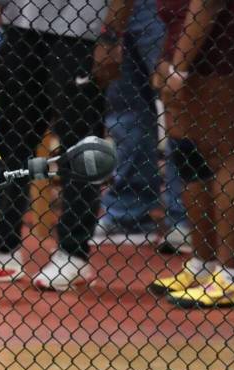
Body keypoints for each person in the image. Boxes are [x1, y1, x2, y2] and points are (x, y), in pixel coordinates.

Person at [0, 0, 133, 290]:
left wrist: (109, 36)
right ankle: (2, 244)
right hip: (20, 25)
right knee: (10, 137)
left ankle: (74, 252)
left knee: (79, 145)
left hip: (81, 33)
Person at [148, 0, 234, 307]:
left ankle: (230, 277)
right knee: (188, 150)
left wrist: (179, 67)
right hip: (185, 30)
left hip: (218, 32)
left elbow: (208, 4)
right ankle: (203, 264)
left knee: (225, 151)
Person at [91, 0, 189, 248]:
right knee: (124, 108)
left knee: (178, 100)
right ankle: (128, 213)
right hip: (111, 7)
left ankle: (185, 217)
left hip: (166, 6)